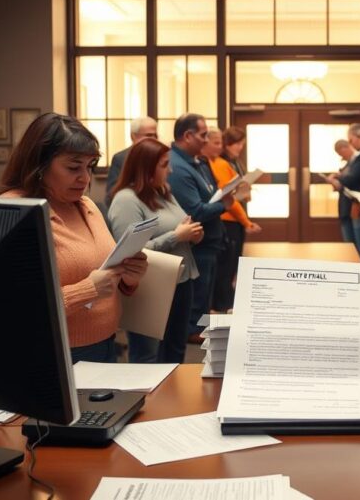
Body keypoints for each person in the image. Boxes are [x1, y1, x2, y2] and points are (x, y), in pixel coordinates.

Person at [0, 113, 148, 364]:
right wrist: (87, 290)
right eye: (73, 167)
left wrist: (128, 279)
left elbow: (100, 268)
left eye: (89, 166)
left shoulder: (86, 204)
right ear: (39, 164)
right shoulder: (17, 212)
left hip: (106, 343)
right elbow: (16, 306)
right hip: (56, 354)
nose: (85, 178)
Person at [108, 138, 204, 364]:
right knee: (148, 357)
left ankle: (171, 399)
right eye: (164, 165)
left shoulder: (162, 193)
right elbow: (127, 252)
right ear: (145, 168)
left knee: (175, 352)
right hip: (150, 286)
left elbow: (179, 227)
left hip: (181, 280)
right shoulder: (126, 200)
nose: (170, 170)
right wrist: (176, 236)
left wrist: (192, 235)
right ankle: (148, 400)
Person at [167, 113, 234, 343]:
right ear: (187, 136)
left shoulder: (197, 161)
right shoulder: (177, 167)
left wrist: (220, 200)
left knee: (205, 291)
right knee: (197, 293)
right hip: (199, 242)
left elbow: (209, 193)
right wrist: (223, 205)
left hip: (211, 239)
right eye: (203, 135)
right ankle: (193, 331)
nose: (207, 140)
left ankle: (199, 325)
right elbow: (194, 211)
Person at [205, 128, 261, 313]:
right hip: (226, 218)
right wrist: (246, 222)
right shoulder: (215, 164)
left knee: (229, 264)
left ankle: (223, 302)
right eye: (217, 143)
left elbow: (234, 190)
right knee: (225, 265)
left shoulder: (222, 163)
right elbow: (228, 197)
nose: (220, 147)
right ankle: (222, 304)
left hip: (229, 216)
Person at [327, 123, 360, 264]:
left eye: (351, 140)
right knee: (352, 249)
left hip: (357, 207)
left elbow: (351, 180)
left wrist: (339, 180)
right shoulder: (353, 161)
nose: (351, 143)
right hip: (349, 208)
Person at [106, 116, 158, 203]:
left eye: (155, 135)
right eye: (148, 135)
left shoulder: (160, 158)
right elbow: (112, 193)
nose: (153, 139)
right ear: (133, 136)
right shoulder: (121, 158)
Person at [329, 139, 357, 245]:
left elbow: (348, 181)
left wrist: (337, 181)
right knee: (348, 241)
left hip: (351, 206)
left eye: (340, 153)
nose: (341, 157)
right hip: (345, 206)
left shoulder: (358, 162)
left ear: (345, 148)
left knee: (352, 243)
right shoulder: (348, 164)